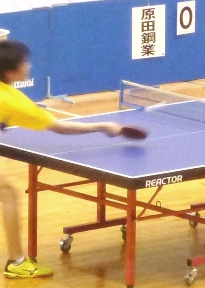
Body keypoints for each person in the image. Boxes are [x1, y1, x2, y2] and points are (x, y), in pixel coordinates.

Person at [0, 40, 124, 278]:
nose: (28, 65)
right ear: (10, 71)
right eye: (24, 62)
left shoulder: (12, 97)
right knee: (8, 194)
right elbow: (60, 128)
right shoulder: (13, 102)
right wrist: (101, 126)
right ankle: (17, 263)